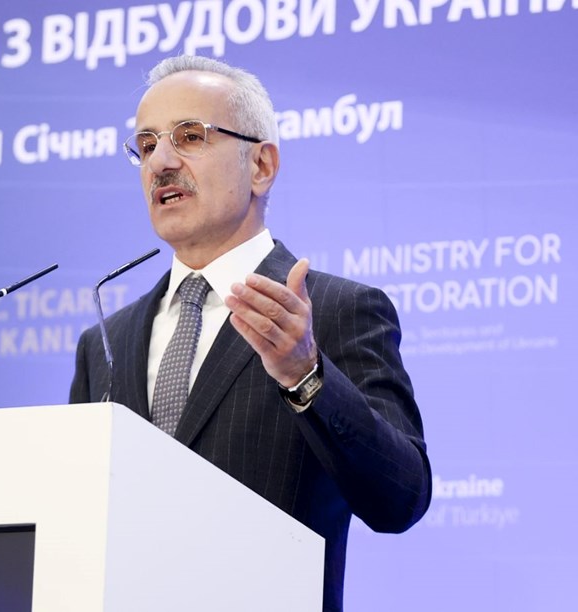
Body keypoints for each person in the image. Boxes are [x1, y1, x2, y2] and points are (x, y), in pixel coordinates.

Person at [69, 55, 431, 612]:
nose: (161, 161)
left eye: (189, 136)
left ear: (261, 165)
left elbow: (400, 499)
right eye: (146, 145)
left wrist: (306, 375)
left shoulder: (336, 311)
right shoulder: (105, 342)